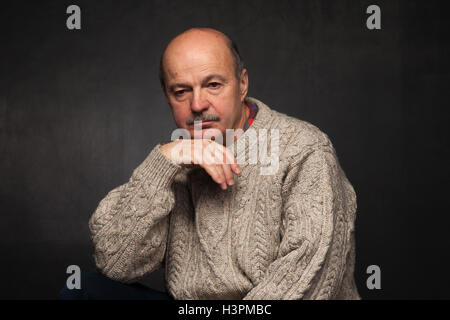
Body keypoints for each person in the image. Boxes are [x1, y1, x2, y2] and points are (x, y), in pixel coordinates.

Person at [60, 27, 360, 300]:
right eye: (181, 91)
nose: (198, 105)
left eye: (213, 85)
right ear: (167, 96)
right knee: (85, 292)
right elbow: (116, 263)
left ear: (242, 84)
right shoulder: (177, 159)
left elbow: (306, 279)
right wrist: (164, 161)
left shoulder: (304, 148)